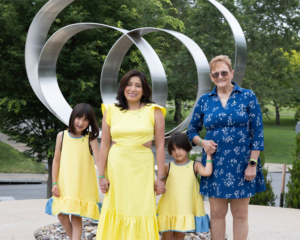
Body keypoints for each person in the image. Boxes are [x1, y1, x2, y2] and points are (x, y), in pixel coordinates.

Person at [186, 55, 266, 240]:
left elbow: (258, 132)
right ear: (211, 77)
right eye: (216, 74)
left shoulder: (248, 96)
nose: (220, 77)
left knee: (240, 214)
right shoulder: (205, 100)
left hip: (243, 164)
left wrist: (252, 164)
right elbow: (191, 131)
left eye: (224, 72)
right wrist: (203, 142)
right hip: (214, 164)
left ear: (231, 73)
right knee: (216, 214)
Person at [96, 69, 166, 240]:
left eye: (138, 85)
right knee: (116, 206)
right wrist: (101, 175)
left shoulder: (154, 110)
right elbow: (104, 145)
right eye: (129, 84)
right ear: (123, 87)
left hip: (142, 168)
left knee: (141, 207)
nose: (132, 89)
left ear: (144, 90)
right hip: (116, 167)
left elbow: (161, 145)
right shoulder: (110, 110)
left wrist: (160, 177)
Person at [45, 103, 101, 240]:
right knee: (61, 216)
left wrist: (103, 177)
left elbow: (99, 161)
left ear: (90, 122)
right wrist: (54, 183)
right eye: (78, 118)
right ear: (72, 117)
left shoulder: (90, 138)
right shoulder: (62, 136)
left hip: (81, 185)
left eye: (86, 119)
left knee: (76, 217)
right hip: (64, 183)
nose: (81, 122)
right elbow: (56, 160)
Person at [156, 132, 211, 240]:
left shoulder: (195, 165)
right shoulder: (168, 167)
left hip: (184, 208)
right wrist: (159, 187)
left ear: (187, 147)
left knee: (180, 235)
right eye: (173, 149)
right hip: (169, 208)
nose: (177, 152)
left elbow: (207, 172)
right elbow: (159, 182)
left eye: (180, 148)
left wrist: (208, 154)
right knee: (166, 234)